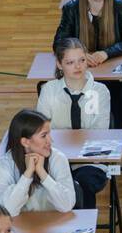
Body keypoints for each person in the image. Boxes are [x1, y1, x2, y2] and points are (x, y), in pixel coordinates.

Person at [55, 0, 122, 128]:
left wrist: (106, 53)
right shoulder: (71, 9)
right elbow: (59, 41)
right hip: (81, 78)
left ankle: (109, 144)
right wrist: (79, 55)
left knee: (120, 104)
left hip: (115, 82)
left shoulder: (121, 7)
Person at [0, 109, 75, 233]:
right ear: (25, 142)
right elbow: (8, 210)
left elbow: (66, 205)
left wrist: (43, 175)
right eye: (44, 136)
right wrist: (27, 175)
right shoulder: (1, 166)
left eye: (49, 134)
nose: (50, 141)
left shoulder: (58, 159)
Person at [36, 36, 112, 211]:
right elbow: (41, 131)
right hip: (54, 159)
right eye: (70, 62)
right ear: (59, 64)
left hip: (90, 162)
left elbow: (99, 133)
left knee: (83, 184)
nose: (78, 67)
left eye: (82, 60)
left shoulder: (100, 91)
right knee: (48, 185)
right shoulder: (48, 90)